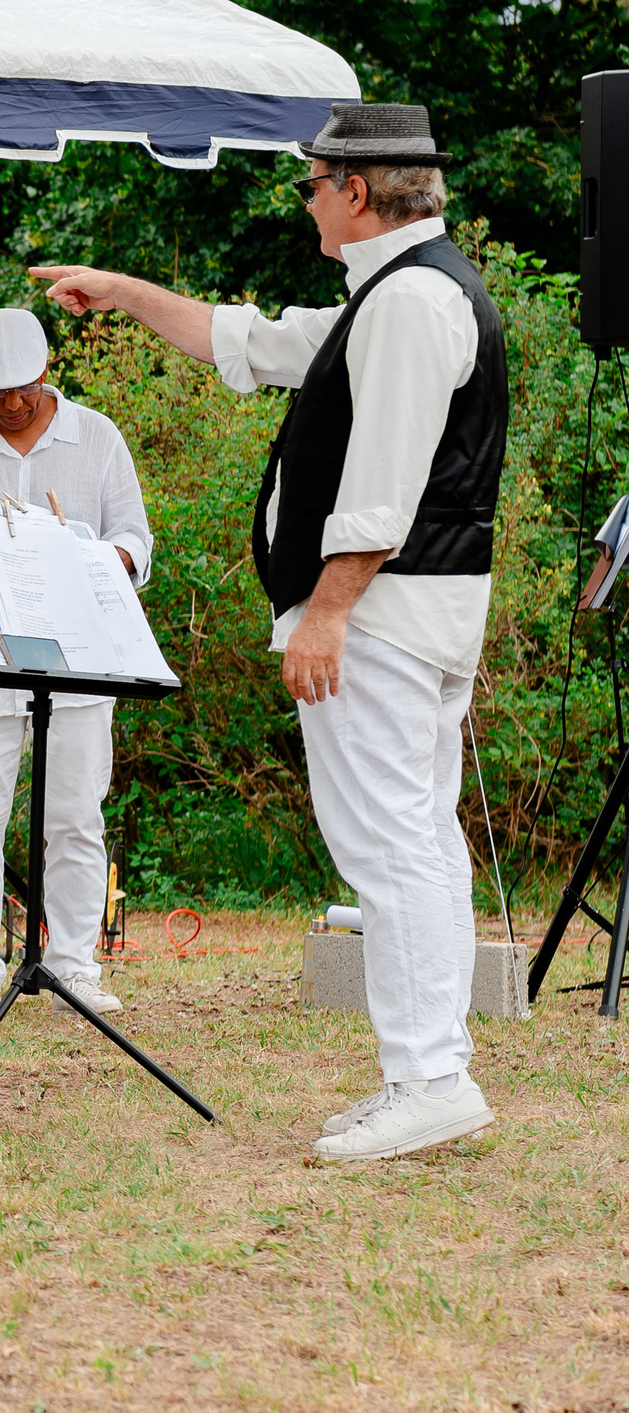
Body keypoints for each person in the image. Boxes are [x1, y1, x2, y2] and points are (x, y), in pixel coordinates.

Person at [37, 102, 499, 1161]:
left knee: (389, 844)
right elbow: (244, 338)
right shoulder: (391, 293)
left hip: (383, 616)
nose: (303, 200)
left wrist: (327, 611)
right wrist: (121, 292)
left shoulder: (412, 301)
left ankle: (429, 1072)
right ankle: (428, 1066)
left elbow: (385, 479)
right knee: (413, 838)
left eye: (310, 182)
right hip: (408, 616)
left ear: (353, 189)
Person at [0, 309, 150, 1027]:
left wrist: (101, 561)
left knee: (76, 817)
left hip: (78, 661)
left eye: (27, 388)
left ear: (49, 372)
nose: (14, 404)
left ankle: (77, 964)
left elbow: (136, 538)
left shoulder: (97, 436)